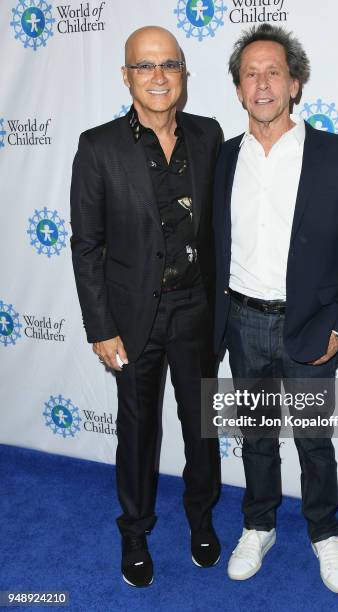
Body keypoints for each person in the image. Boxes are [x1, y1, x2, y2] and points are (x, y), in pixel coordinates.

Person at [213, 24, 338, 593]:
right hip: (241, 322)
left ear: (295, 83)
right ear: (239, 90)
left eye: (273, 73)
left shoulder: (337, 156)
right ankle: (258, 523)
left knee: (314, 439)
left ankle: (324, 534)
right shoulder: (220, 160)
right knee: (256, 436)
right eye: (250, 75)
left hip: (311, 326)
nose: (262, 84)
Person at [70, 26, 222, 588]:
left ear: (183, 73)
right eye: (145, 66)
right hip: (132, 321)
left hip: (197, 312)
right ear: (126, 75)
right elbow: (86, 245)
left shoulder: (208, 136)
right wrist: (101, 326)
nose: (158, 76)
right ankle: (134, 533)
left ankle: (200, 521)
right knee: (137, 432)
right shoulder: (98, 146)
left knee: (200, 427)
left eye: (169, 65)